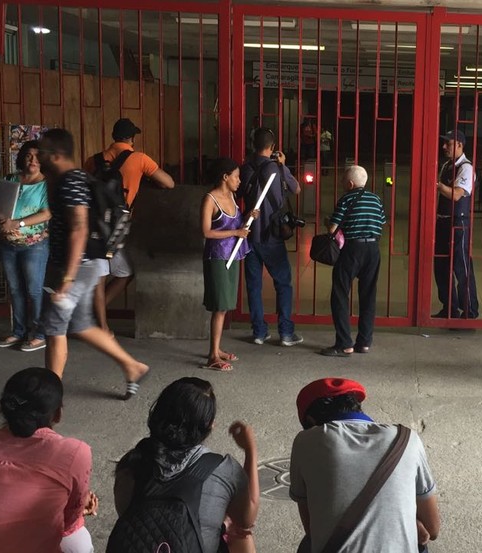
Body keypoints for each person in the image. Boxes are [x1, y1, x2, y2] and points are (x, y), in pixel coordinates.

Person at [36, 128, 149, 398]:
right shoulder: (66, 180)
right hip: (79, 264)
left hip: (77, 265)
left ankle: (49, 397)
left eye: (41, 152)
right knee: (80, 325)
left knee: (54, 327)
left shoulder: (71, 181)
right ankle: (132, 366)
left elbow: (79, 228)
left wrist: (67, 279)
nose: (37, 156)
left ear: (54, 155)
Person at [0, 367, 98, 552]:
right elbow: (68, 524)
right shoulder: (75, 452)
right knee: (79, 540)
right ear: (58, 414)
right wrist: (80, 508)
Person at [290, 378, 441, 552]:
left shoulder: (305, 442)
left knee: (307, 545)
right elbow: (433, 529)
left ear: (310, 420)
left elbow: (311, 528)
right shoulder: (407, 439)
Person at [113, 377, 259, 553]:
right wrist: (251, 450)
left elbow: (127, 514)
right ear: (209, 425)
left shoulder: (131, 464)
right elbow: (247, 519)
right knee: (242, 537)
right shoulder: (222, 469)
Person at [86, 118, 176, 334]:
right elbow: (169, 183)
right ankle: (97, 318)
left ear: (112, 137)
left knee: (99, 275)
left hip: (94, 223)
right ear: (132, 138)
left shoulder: (94, 160)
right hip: (118, 225)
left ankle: (100, 323)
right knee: (126, 271)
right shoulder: (139, 159)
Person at [238, 127, 304, 347]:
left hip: (248, 234)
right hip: (272, 236)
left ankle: (259, 332)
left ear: (252, 145)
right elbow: (296, 189)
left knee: (253, 285)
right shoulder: (276, 168)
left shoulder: (244, 168)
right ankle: (285, 333)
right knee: (283, 283)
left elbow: (235, 194)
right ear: (273, 147)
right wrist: (283, 165)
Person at [0, 140, 51, 352]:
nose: (32, 160)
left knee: (34, 290)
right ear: (22, 157)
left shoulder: (47, 184)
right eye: (29, 155)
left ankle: (40, 334)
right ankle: (19, 331)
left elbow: (47, 213)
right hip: (8, 243)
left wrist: (18, 223)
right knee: (15, 289)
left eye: (37, 156)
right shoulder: (10, 179)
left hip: (34, 245)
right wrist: (0, 219)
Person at [320, 165, 387, 357]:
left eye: (343, 180)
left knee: (340, 294)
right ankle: (364, 342)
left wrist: (328, 223)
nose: (342, 183)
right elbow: (381, 222)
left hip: (352, 250)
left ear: (350, 183)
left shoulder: (346, 198)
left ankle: (344, 343)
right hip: (373, 249)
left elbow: (332, 230)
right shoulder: (376, 199)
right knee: (368, 295)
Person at [201, 157, 253, 371]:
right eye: (236, 176)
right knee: (219, 306)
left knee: (225, 306)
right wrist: (235, 232)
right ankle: (213, 356)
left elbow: (236, 223)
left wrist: (248, 216)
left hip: (234, 255)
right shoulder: (210, 199)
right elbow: (206, 232)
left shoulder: (231, 196)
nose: (239, 181)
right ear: (225, 177)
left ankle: (217, 348)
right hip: (217, 257)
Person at [433, 129, 479, 320]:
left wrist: (435, 184)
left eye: (448, 143)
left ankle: (469, 310)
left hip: (458, 223)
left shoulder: (466, 168)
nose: (444, 147)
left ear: (460, 145)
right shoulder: (447, 165)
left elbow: (457, 194)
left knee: (461, 266)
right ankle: (449, 307)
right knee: (441, 265)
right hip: (443, 220)